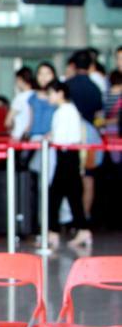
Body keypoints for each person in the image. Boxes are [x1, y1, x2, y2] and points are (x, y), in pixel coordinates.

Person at [46, 80, 92, 249]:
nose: (49, 97)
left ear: (60, 93)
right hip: (67, 156)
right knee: (72, 195)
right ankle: (82, 229)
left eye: (51, 93)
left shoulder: (65, 111)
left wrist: (50, 139)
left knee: (55, 195)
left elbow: (61, 137)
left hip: (66, 155)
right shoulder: (68, 110)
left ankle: (53, 231)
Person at [66, 50, 104, 125]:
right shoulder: (95, 88)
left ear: (73, 65)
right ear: (90, 66)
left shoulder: (66, 86)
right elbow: (99, 114)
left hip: (69, 129)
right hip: (89, 130)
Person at [6, 67, 35, 141]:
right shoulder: (36, 95)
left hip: (18, 136)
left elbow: (8, 121)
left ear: (20, 79)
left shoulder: (19, 98)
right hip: (33, 137)